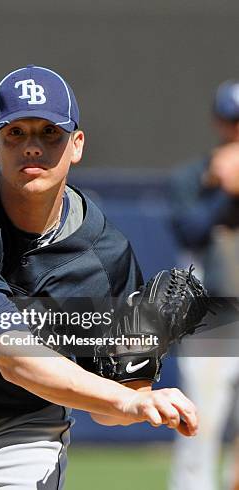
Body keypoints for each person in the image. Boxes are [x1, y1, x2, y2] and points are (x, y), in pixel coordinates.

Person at [0, 65, 199, 490]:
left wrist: (140, 376)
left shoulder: (105, 258)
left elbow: (112, 409)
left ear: (76, 145)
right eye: (16, 133)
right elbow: (9, 354)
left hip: (21, 428)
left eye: (49, 133)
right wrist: (123, 397)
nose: (32, 147)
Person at [168, 80, 239, 490]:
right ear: (218, 122)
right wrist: (221, 193)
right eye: (232, 121)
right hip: (214, 312)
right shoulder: (196, 176)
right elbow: (189, 232)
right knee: (201, 426)